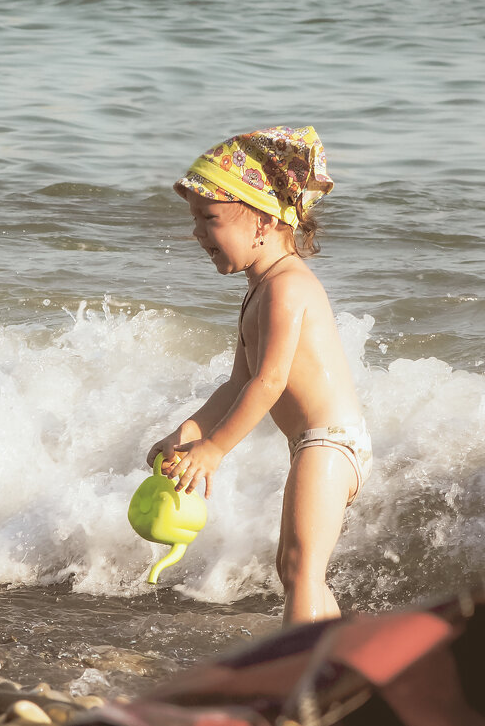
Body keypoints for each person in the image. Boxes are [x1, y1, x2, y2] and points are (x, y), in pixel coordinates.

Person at [146, 125, 371, 623]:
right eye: (195, 221)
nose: (198, 233)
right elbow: (237, 383)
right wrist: (190, 431)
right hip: (315, 442)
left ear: (264, 223)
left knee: (301, 568)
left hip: (330, 442)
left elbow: (268, 384)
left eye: (210, 219)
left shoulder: (287, 288)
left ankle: (300, 679)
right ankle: (335, 661)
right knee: (296, 569)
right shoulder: (260, 288)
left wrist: (214, 451)